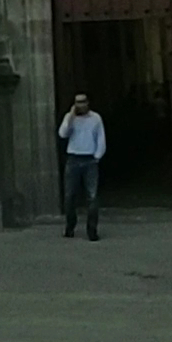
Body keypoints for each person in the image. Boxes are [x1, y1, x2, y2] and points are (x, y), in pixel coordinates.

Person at [58, 92, 106, 240]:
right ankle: (70, 226)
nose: (81, 105)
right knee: (69, 196)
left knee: (92, 196)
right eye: (78, 102)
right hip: (73, 158)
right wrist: (71, 117)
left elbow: (100, 138)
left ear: (88, 103)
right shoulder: (70, 118)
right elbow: (62, 134)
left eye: (83, 102)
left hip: (89, 160)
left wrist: (97, 156)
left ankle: (92, 230)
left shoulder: (96, 118)